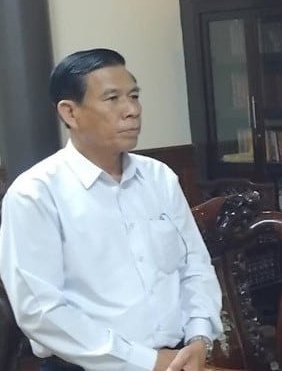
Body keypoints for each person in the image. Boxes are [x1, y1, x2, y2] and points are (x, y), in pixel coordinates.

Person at [0, 49, 221, 371]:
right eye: (112, 98)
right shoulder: (35, 193)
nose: (132, 110)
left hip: (180, 358)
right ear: (70, 113)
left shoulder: (159, 178)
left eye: (134, 96)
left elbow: (194, 266)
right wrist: (147, 361)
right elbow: (41, 311)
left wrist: (200, 337)